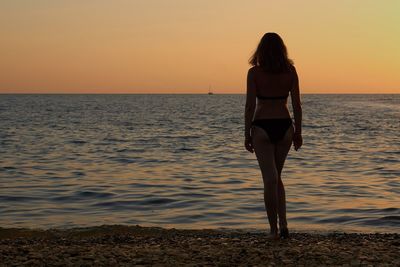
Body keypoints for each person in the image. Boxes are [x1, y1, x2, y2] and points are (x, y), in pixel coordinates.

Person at [244, 32, 303, 240]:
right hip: (285, 126)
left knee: (270, 179)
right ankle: (284, 224)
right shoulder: (291, 72)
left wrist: (246, 133)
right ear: (282, 50)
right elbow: (296, 105)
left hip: (262, 126)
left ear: (260, 50)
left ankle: (273, 230)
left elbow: (250, 105)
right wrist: (298, 132)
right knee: (276, 177)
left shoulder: (254, 73)